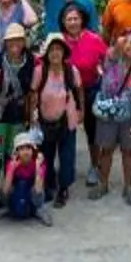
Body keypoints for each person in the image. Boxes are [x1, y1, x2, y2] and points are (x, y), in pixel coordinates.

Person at [88, 25, 131, 202]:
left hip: (129, 115)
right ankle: (103, 184)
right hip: (108, 113)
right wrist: (120, 42)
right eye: (129, 42)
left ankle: (128, 186)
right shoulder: (112, 59)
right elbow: (113, 52)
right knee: (106, 150)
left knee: (129, 152)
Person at [30, 28, 84, 207]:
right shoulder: (40, 71)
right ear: (47, 52)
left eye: (59, 49)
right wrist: (32, 115)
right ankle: (49, 183)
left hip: (67, 118)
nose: (55, 53)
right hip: (45, 119)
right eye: (52, 49)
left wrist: (81, 110)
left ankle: (63, 188)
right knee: (46, 154)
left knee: (67, 156)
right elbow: (33, 93)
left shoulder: (71, 70)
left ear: (64, 52)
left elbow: (79, 90)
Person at [0, 24, 34, 160]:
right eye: (11, 40)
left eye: (18, 39)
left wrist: (31, 113)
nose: (14, 43)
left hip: (18, 116)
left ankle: (11, 178)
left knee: (14, 150)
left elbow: (32, 89)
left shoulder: (30, 60)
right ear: (5, 43)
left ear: (24, 42)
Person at [0, 131, 55, 225]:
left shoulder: (39, 163)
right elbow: (5, 191)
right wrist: (12, 169)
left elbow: (38, 190)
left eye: (28, 148)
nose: (26, 152)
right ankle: (8, 208)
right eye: (22, 148)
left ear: (33, 150)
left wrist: (38, 168)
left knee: (38, 193)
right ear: (16, 152)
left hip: (32, 194)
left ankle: (38, 210)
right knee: (6, 189)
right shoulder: (12, 163)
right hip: (18, 192)